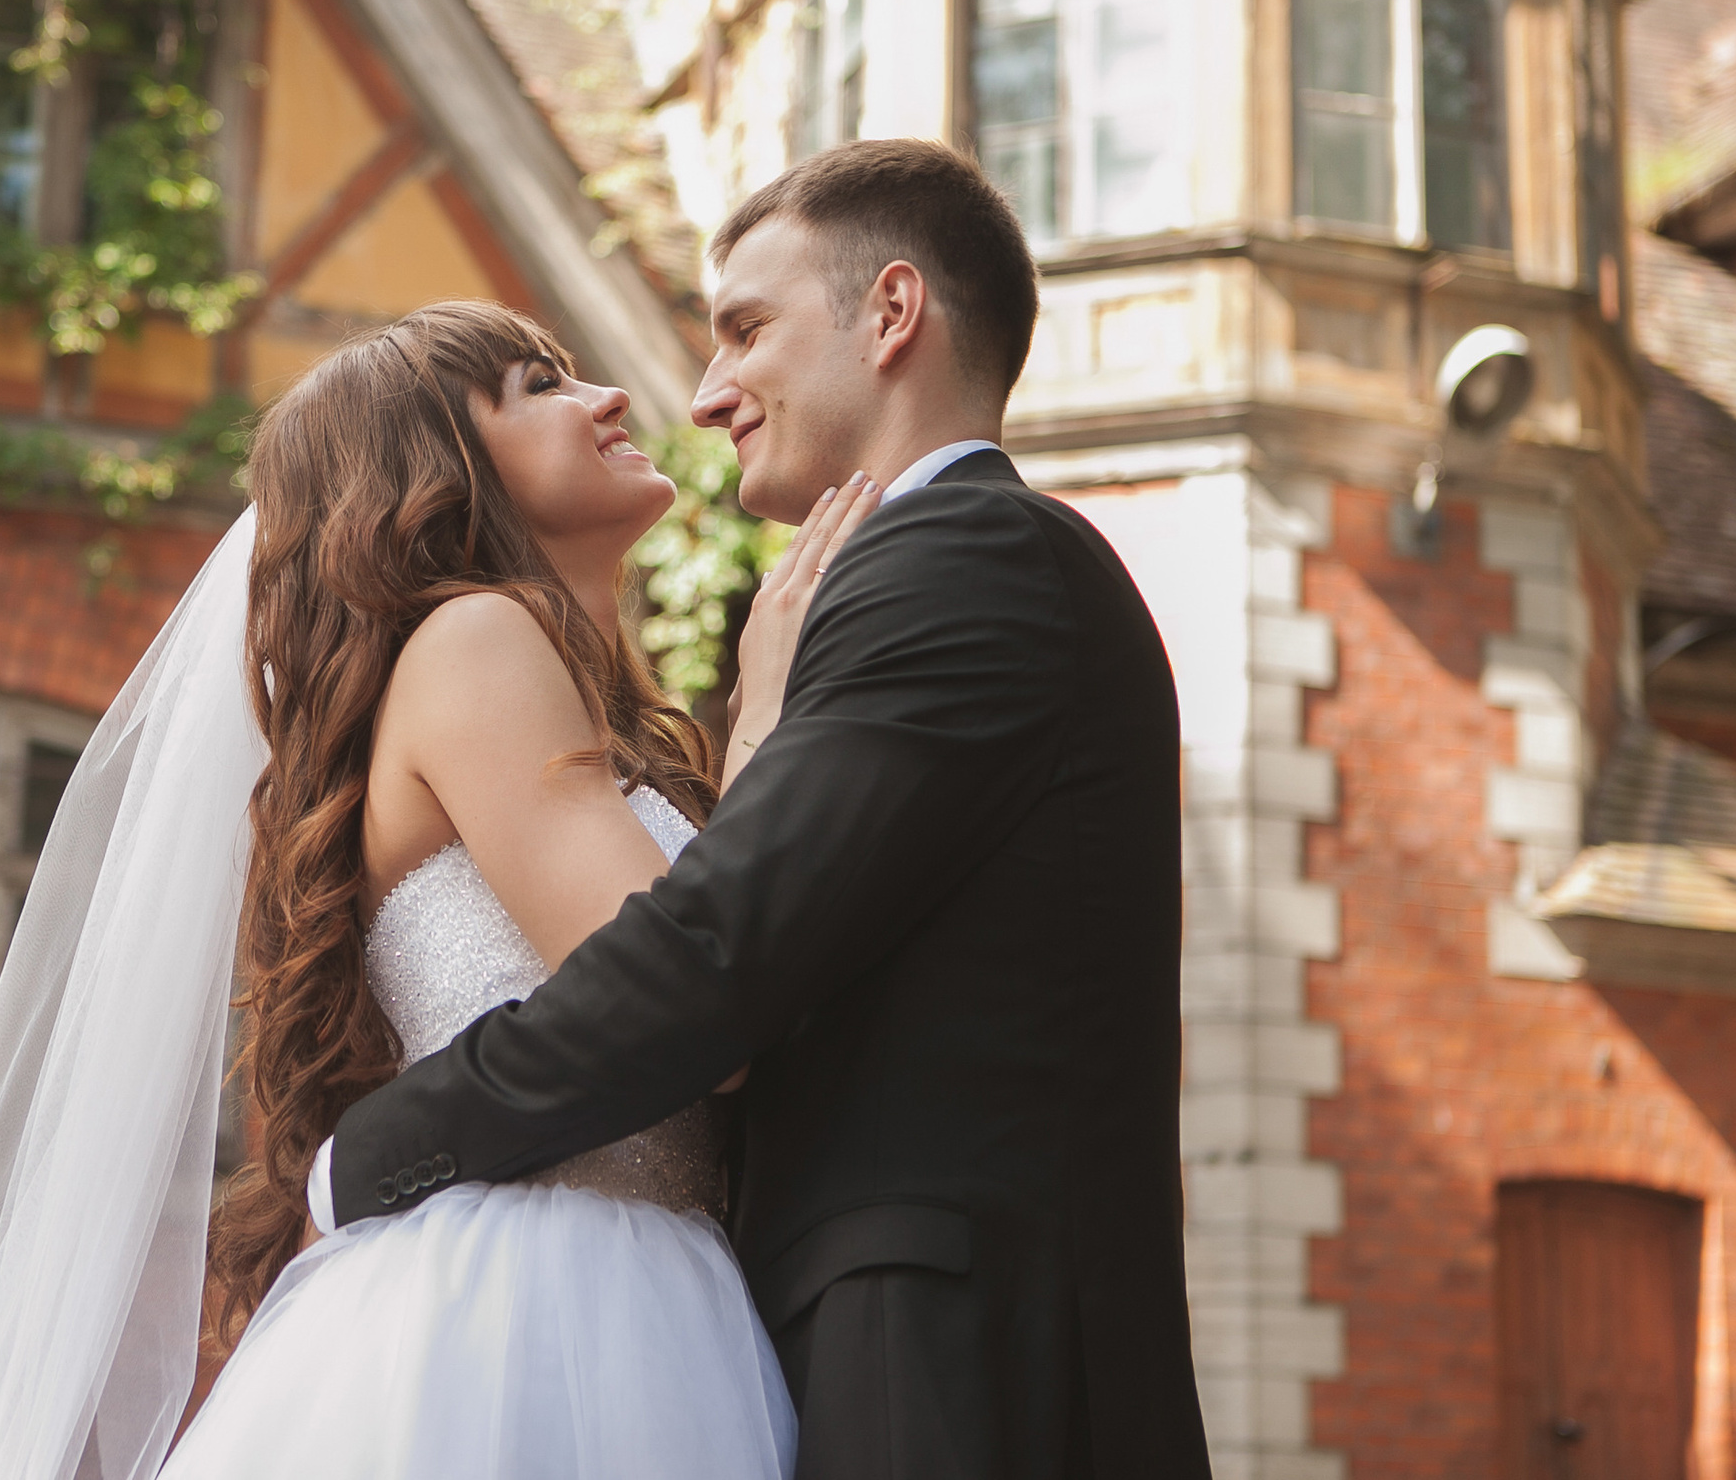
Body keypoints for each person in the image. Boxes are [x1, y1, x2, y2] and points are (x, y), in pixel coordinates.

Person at [0, 298, 873, 1480]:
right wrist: (768, 727)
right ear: (435, 469)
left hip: (631, 1274)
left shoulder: (540, 684)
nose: (608, 399)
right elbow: (692, 1004)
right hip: (548, 1305)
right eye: (536, 386)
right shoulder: (478, 637)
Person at [312, 140, 1214, 1477]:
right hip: (698, 1325)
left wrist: (371, 1156)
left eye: (745, 329)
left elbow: (710, 959)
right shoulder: (922, 571)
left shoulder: (966, 559)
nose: (703, 392)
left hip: (948, 1357)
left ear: (892, 313)